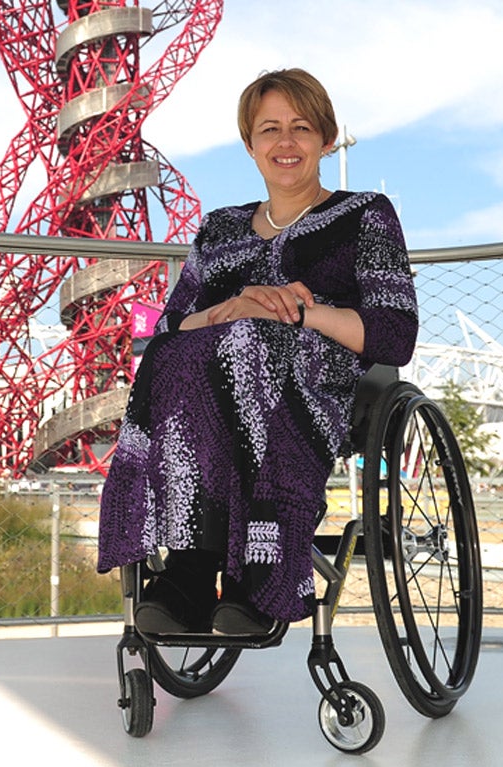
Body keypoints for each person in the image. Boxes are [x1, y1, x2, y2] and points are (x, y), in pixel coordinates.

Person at [96, 68, 418, 635]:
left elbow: (395, 334)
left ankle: (255, 572)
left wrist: (299, 310)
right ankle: (189, 571)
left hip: (324, 379)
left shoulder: (364, 215)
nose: (285, 143)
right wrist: (234, 306)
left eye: (301, 127)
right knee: (180, 357)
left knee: (251, 346)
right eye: (270, 129)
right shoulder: (221, 228)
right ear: (250, 144)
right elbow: (169, 327)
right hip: (215, 383)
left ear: (326, 137)